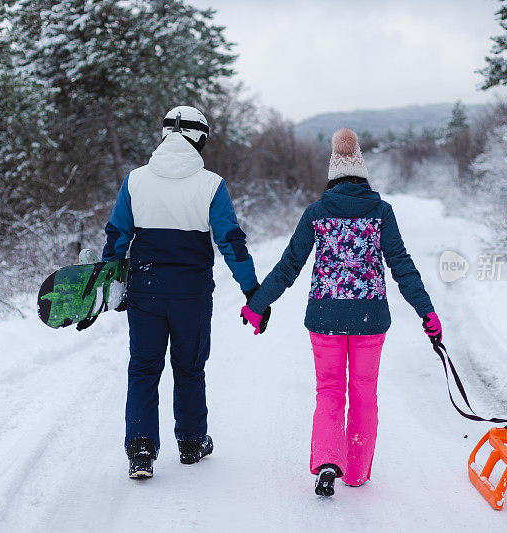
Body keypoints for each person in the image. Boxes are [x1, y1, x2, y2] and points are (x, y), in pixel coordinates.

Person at [241, 128, 442, 496]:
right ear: (363, 174)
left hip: (325, 319)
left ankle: (329, 462)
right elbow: (402, 266)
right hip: (370, 320)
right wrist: (426, 312)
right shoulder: (381, 212)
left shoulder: (316, 213)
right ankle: (357, 473)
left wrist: (257, 303)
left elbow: (289, 266)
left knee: (329, 390)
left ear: (332, 175)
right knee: (364, 392)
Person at [101, 105, 269, 479]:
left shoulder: (135, 181)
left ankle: (141, 449)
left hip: (145, 291)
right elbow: (232, 242)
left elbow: (116, 237)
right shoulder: (211, 185)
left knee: (144, 369)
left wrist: (109, 284)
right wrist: (251, 288)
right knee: (189, 368)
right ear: (200, 138)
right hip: (192, 295)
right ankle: (192, 443)